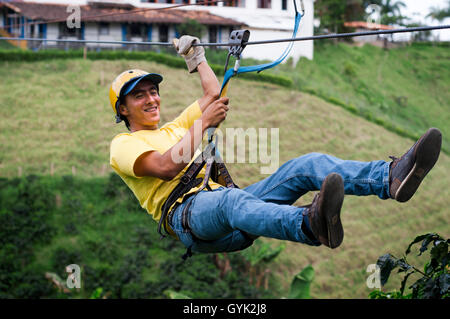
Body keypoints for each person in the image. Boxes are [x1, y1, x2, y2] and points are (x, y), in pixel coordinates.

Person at [109, 36, 442, 258]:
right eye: (140, 95)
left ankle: (389, 178)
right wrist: (203, 123)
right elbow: (166, 166)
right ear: (123, 110)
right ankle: (309, 224)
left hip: (230, 209)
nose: (152, 99)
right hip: (189, 217)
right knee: (230, 201)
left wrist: (196, 57)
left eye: (154, 91)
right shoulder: (123, 145)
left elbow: (212, 93)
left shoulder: (174, 128)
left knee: (305, 166)